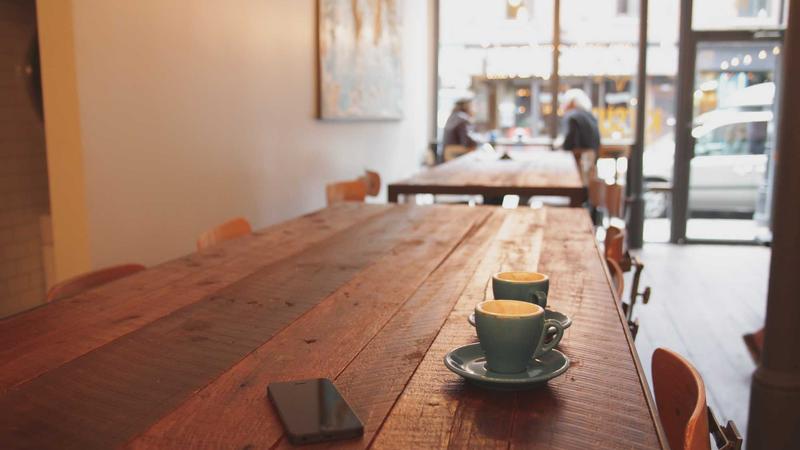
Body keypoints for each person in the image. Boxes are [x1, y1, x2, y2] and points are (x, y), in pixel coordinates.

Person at [560, 89, 600, 185]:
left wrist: (561, 147)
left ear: (572, 103)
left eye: (566, 103)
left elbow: (569, 142)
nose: (563, 106)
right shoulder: (590, 116)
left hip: (578, 161)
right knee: (587, 188)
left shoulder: (572, 116)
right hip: (591, 158)